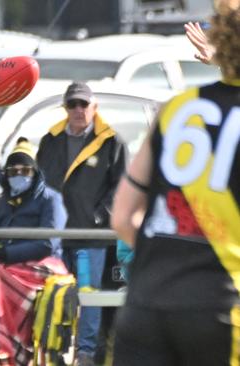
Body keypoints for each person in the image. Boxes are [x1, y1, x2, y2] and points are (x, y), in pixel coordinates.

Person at [110, 1, 240, 364]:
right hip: (219, 308)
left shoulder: (176, 109)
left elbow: (122, 217)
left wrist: (172, 252)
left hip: (146, 305)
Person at [36, 82, 127, 366]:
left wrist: (99, 215)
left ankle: (85, 354)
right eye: (72, 104)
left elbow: (122, 187)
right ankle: (53, 350)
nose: (78, 110)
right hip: (56, 238)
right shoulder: (50, 140)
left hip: (90, 238)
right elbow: (38, 183)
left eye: (83, 104)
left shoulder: (112, 141)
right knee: (54, 293)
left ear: (94, 107)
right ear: (65, 108)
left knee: (88, 297)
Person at [0, 138, 68, 365]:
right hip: (7, 268)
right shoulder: (2, 201)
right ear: (6, 174)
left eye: (25, 170)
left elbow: (48, 243)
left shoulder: (50, 199)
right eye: (13, 171)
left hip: (43, 265)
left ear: (35, 172)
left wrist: (5, 254)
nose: (19, 175)